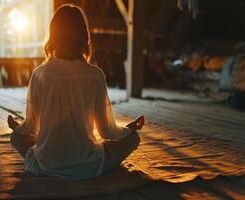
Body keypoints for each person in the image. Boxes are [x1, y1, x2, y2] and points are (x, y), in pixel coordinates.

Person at [7, 4, 144, 179]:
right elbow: (106, 132)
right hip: (88, 166)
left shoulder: (39, 73)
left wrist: (17, 128)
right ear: (83, 36)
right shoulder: (95, 75)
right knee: (134, 140)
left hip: (45, 165)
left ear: (53, 35)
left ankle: (50, 157)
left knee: (16, 138)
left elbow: (32, 126)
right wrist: (128, 130)